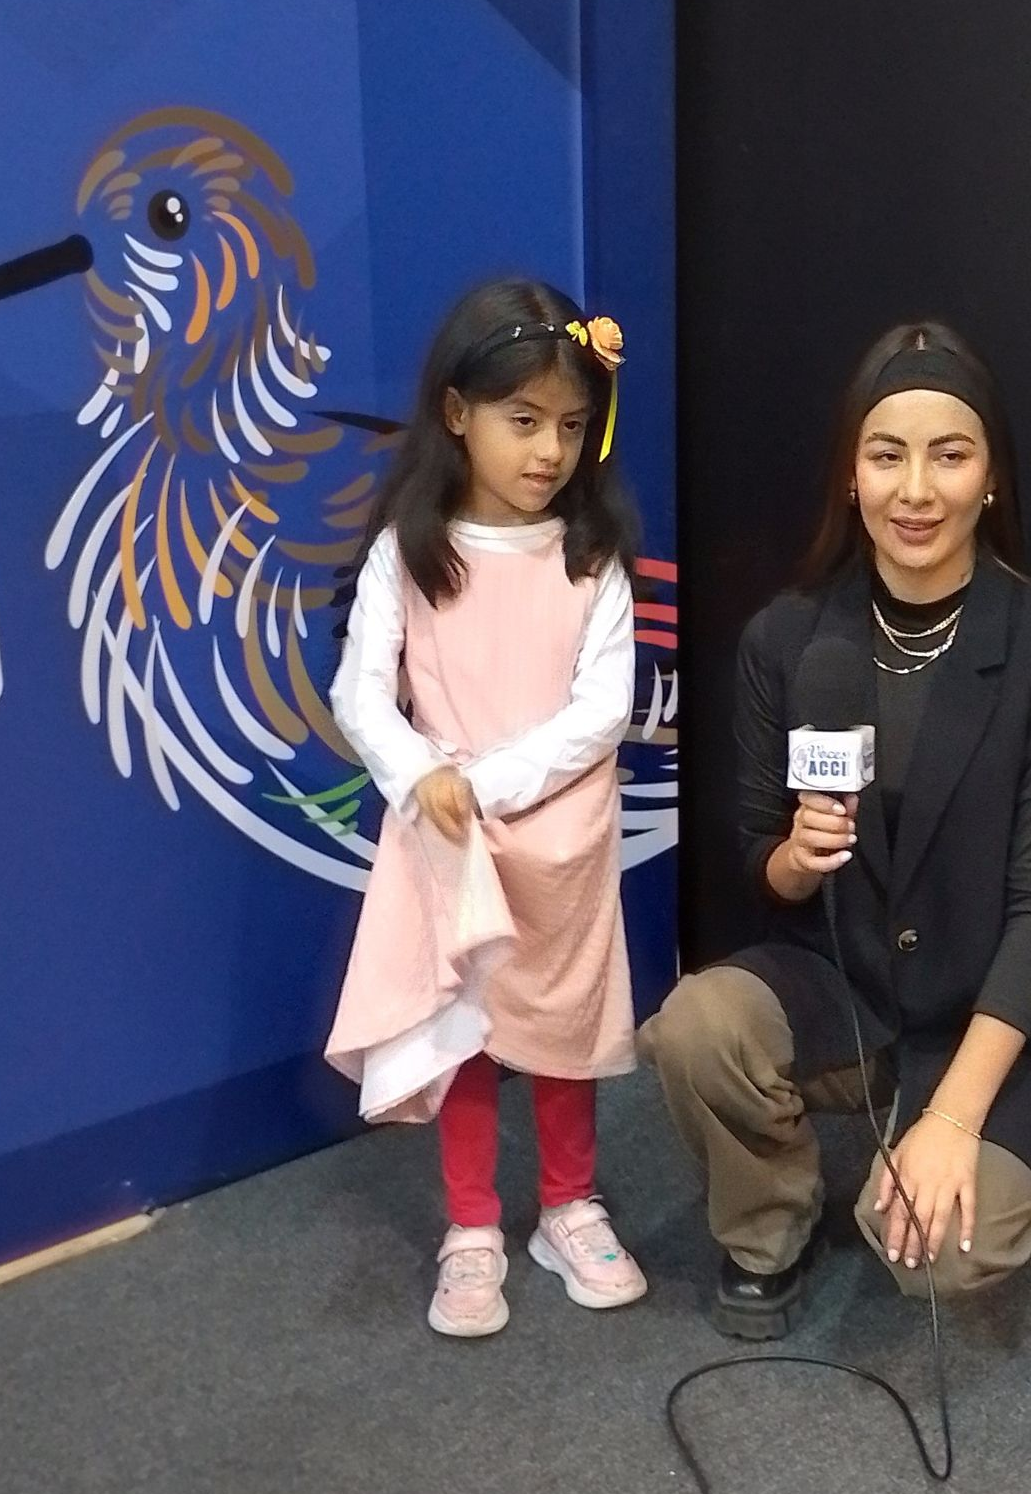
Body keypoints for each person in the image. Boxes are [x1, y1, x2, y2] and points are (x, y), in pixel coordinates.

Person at [641, 321, 1031, 1338]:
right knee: (695, 1028)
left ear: (991, 479)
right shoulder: (790, 637)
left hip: (991, 1014)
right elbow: (762, 863)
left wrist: (950, 1119)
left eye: (950, 455)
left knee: (935, 1247)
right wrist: (797, 862)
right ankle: (773, 1228)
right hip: (843, 985)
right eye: (887, 455)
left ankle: (932, 1145)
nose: (916, 490)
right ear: (853, 475)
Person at [325, 279, 648, 1337]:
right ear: (457, 413)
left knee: (562, 1026)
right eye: (522, 422)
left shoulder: (590, 559)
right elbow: (360, 690)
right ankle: (471, 1226)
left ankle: (568, 1205)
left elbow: (604, 708)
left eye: (569, 425)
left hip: (558, 835)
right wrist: (424, 774)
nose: (548, 451)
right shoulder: (408, 552)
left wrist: (488, 780)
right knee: (461, 1024)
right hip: (446, 837)